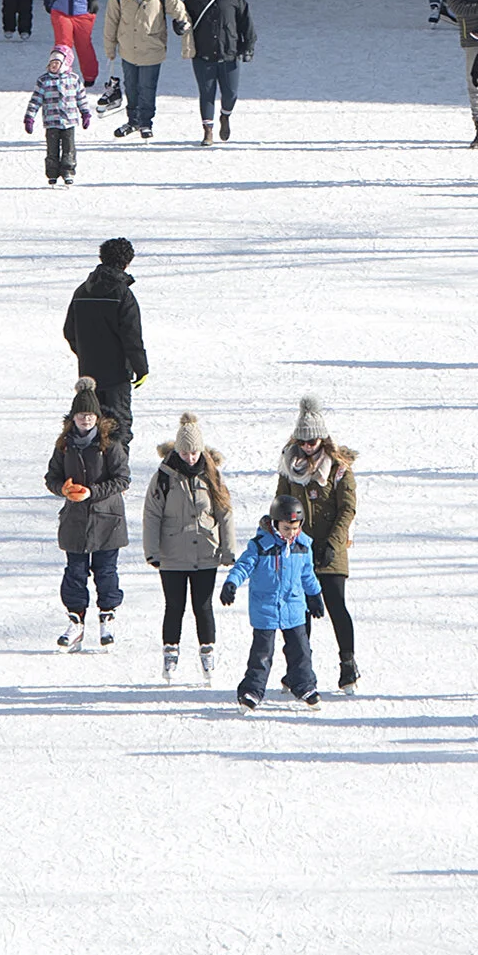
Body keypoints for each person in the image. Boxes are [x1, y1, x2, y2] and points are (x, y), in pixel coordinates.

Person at [278, 396, 361, 691]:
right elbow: (281, 503)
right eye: (304, 440)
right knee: (299, 611)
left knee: (336, 605)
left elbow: (347, 509)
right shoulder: (289, 465)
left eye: (313, 439)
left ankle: (348, 665)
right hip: (299, 550)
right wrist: (277, 528)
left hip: (331, 550)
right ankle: (299, 669)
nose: (308, 445)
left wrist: (332, 544)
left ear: (322, 438)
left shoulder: (338, 469)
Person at [142, 411, 232, 684]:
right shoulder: (164, 477)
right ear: (177, 451)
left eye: (194, 453)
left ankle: (208, 654)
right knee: (174, 606)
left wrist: (227, 550)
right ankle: (170, 653)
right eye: (185, 453)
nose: (190, 458)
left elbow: (225, 512)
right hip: (172, 555)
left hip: (205, 552)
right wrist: (152, 551)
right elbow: (151, 514)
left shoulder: (212, 475)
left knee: (203, 607)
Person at [225, 491, 323, 707]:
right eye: (287, 528)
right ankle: (252, 690)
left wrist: (315, 595)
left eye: (295, 528)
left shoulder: (303, 546)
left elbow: (307, 574)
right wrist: (231, 582)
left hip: (294, 607)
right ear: (275, 524)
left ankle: (304, 685)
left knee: (301, 650)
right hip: (266, 607)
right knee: (262, 653)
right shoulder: (260, 546)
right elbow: (243, 566)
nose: (291, 533)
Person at [62, 234, 147, 442]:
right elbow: (131, 336)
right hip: (117, 375)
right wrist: (140, 367)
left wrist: (85, 353)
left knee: (88, 426)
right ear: (127, 263)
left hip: (88, 373)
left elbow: (69, 331)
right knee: (118, 427)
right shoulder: (122, 294)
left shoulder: (82, 291)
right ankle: (119, 474)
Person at [99, 0, 190, 140]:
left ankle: (146, 123)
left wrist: (181, 22)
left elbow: (178, 7)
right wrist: (110, 48)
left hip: (151, 49)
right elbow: (111, 19)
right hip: (128, 49)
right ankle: (133, 121)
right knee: (131, 86)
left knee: (147, 88)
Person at [181, 0, 255, 147]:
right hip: (203, 55)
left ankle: (225, 116)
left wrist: (248, 46)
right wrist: (179, 26)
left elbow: (246, 21)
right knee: (207, 93)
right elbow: (182, 18)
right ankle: (208, 131)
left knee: (230, 93)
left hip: (229, 53)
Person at [23, 36, 90, 185]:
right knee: (52, 150)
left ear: (65, 64)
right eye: (51, 63)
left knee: (69, 148)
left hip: (69, 121)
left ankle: (68, 171)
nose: (53, 66)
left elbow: (81, 97)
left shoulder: (73, 79)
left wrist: (85, 112)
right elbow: (36, 100)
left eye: (57, 63)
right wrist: (29, 117)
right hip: (51, 121)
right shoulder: (44, 81)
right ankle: (52, 173)